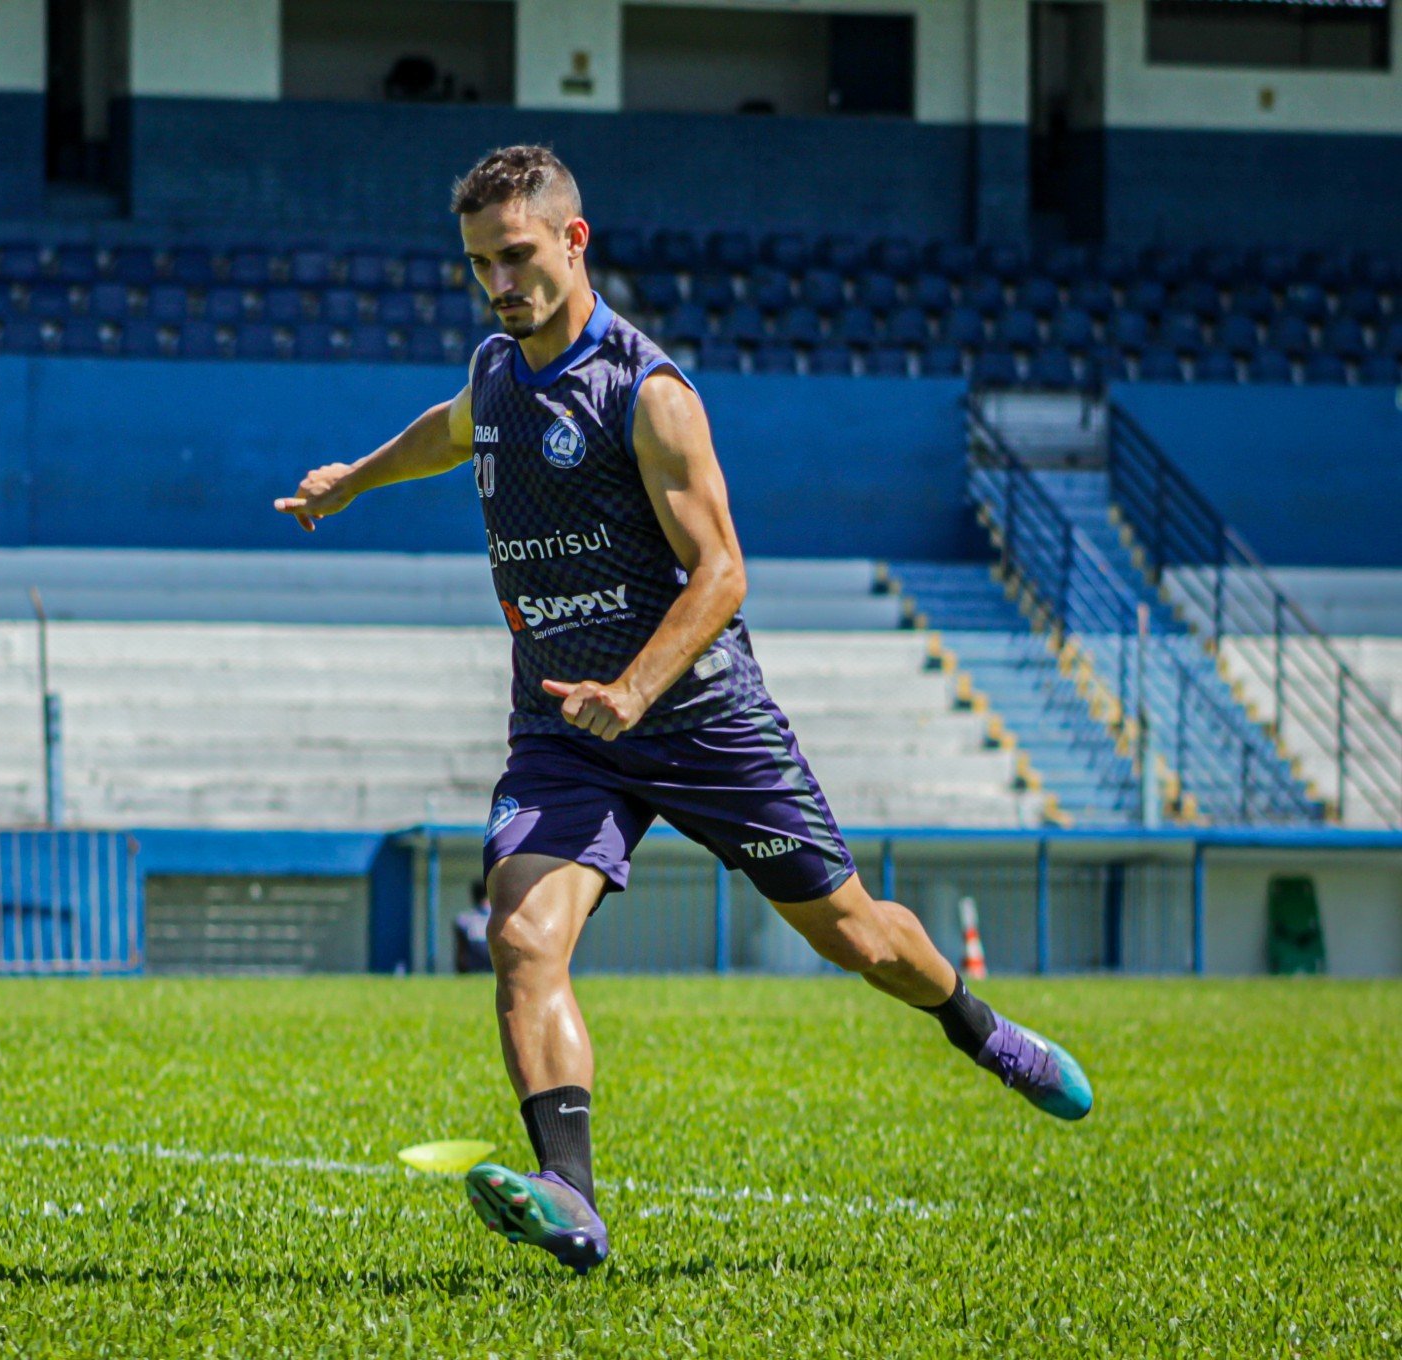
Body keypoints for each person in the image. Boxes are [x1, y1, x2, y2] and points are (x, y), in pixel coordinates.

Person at [274, 146, 1091, 1275]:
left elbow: (721, 574)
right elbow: (454, 427)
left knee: (855, 935)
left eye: (516, 257)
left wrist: (638, 688)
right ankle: (571, 1193)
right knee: (521, 937)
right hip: (565, 727)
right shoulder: (498, 369)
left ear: (574, 240)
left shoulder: (646, 392)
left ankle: (979, 1026)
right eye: (478, 264)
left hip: (700, 717)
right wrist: (354, 477)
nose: (498, 283)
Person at [453, 879, 493, 974]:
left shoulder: (464, 919)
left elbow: (461, 952)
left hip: (474, 966)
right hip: (493, 963)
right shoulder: (498, 917)